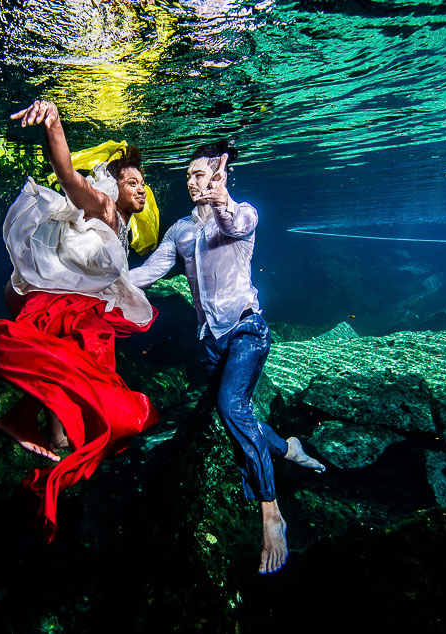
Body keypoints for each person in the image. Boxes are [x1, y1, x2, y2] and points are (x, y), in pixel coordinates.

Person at [129, 141, 325, 574]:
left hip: (246, 331)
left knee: (231, 406)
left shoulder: (243, 213)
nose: (193, 182)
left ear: (221, 178)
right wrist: (101, 283)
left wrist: (222, 200)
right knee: (232, 415)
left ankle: (271, 513)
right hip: (210, 340)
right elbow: (146, 273)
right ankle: (287, 449)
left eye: (202, 175)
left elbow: (234, 222)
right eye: (190, 177)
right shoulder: (180, 230)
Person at [0, 99, 159, 540]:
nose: (141, 188)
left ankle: (31, 423)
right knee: (97, 380)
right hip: (54, 305)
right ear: (112, 186)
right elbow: (66, 176)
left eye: (142, 183)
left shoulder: (120, 227)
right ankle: (55, 430)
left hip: (69, 308)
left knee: (80, 367)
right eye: (132, 181)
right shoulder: (101, 204)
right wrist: (54, 123)